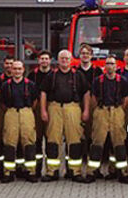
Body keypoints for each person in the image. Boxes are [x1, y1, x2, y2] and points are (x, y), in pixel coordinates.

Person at [40, 50, 90, 183]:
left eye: (67, 58)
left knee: (74, 141)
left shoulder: (78, 75)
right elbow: (43, 93)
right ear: (58, 60)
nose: (64, 61)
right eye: (62, 58)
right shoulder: (51, 76)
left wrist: (86, 111)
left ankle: (75, 171)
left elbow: (86, 93)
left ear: (71, 60)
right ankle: (52, 171)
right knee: (52, 141)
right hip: (54, 108)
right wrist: (43, 111)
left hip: (73, 108)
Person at [85, 55, 128, 184]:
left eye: (112, 64)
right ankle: (92, 172)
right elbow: (93, 98)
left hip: (117, 111)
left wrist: (119, 110)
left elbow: (126, 99)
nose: (109, 66)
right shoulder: (97, 81)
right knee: (97, 143)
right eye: (107, 64)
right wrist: (99, 111)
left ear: (116, 66)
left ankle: (121, 172)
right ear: (104, 66)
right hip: (101, 111)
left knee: (119, 143)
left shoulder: (123, 81)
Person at [0, 60, 39, 183]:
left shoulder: (31, 85)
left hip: (26, 112)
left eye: (19, 69)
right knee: (9, 143)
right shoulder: (5, 85)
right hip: (11, 113)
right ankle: (8, 173)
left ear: (23, 70)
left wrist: (26, 111)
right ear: (11, 70)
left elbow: (35, 101)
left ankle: (30, 172)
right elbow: (3, 103)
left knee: (29, 142)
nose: (17, 71)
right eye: (14, 69)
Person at [75, 44, 103, 178]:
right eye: (82, 53)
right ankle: (76, 163)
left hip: (94, 104)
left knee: (94, 133)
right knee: (77, 134)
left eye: (87, 53)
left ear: (91, 56)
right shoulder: (75, 71)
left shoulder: (97, 72)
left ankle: (94, 166)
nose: (85, 56)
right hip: (76, 104)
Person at [27, 50, 53, 177]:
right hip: (36, 109)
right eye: (42, 58)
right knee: (36, 140)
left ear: (50, 61)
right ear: (38, 61)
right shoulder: (32, 75)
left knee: (51, 140)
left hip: (52, 109)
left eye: (46, 58)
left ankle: (52, 170)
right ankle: (36, 170)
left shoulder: (54, 75)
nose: (44, 61)